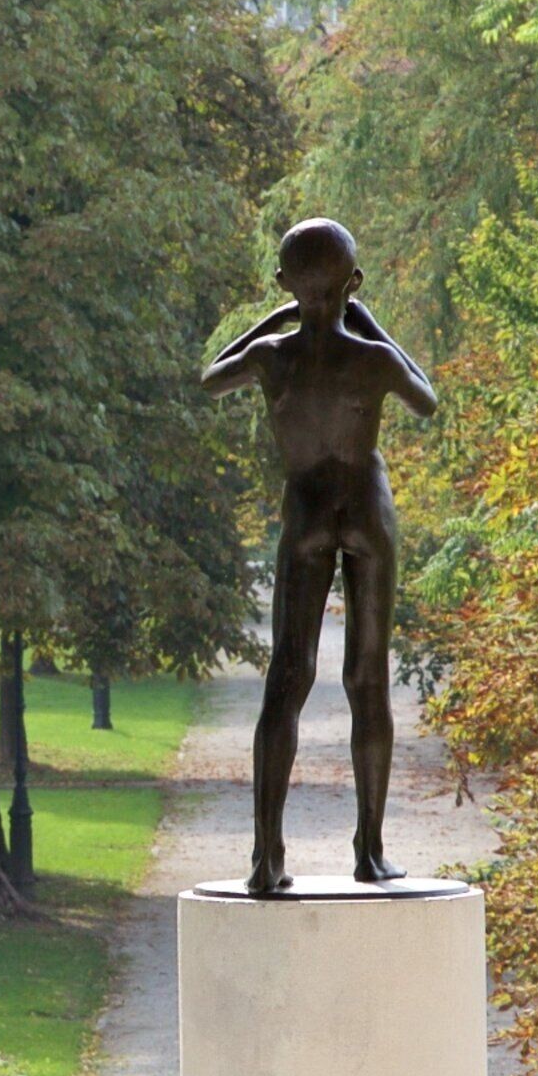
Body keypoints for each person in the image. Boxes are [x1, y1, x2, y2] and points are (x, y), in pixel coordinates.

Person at [201, 219, 439, 894]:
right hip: (365, 509)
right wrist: (365, 321)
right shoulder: (374, 358)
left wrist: (278, 317)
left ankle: (266, 854)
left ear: (283, 284)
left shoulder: (270, 357)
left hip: (306, 511)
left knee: (288, 677)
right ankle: (369, 847)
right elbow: (426, 398)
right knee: (367, 675)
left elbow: (207, 377)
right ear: (353, 284)